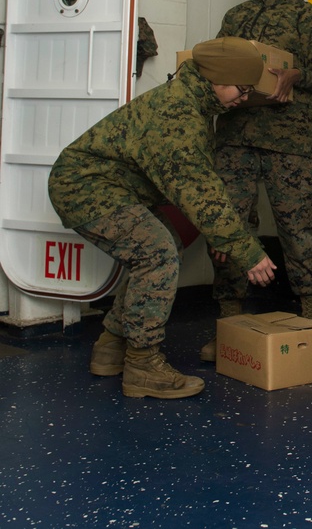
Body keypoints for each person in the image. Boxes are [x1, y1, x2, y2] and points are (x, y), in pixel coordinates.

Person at [48, 37, 279, 400]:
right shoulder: (178, 114)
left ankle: (112, 346)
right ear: (217, 78)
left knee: (163, 245)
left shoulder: (193, 103)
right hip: (85, 187)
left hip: (108, 187)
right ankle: (142, 365)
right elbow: (199, 191)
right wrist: (245, 251)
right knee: (157, 253)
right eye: (242, 88)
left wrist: (223, 239)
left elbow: (201, 182)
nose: (245, 98)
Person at [200, 0, 312, 363]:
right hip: (235, 138)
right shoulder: (236, 17)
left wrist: (298, 75)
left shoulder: (308, 17)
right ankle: (228, 326)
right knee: (229, 229)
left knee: (296, 228)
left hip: (288, 142)